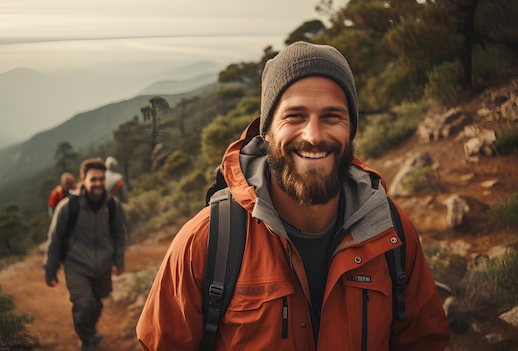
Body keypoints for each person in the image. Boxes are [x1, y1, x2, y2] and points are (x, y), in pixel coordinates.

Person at [136, 42, 449, 350]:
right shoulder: (205, 243)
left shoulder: (390, 231)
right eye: (295, 116)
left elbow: (424, 340)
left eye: (331, 117)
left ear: (351, 129)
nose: (313, 136)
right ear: (267, 131)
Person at [45, 157, 126, 351]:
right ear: (83, 179)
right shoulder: (68, 206)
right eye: (93, 179)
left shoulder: (112, 205)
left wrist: (119, 261)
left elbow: (118, 234)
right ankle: (86, 340)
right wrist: (50, 269)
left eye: (101, 179)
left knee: (96, 304)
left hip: (103, 266)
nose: (98, 183)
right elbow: (55, 238)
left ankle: (89, 331)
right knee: (83, 305)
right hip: (76, 266)